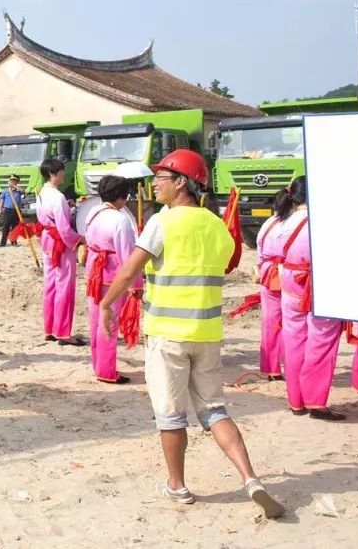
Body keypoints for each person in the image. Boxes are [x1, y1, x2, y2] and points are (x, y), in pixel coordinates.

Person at [98, 149, 284, 517]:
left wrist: (106, 305)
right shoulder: (217, 225)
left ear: (181, 182)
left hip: (168, 334)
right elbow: (224, 262)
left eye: (162, 178)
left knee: (171, 416)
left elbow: (128, 271)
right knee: (215, 409)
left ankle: (178, 485)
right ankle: (251, 478)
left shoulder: (162, 223)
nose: (155, 184)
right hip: (207, 332)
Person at [268, 176, 344, 420]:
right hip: (315, 282)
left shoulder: (279, 220)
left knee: (293, 338)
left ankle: (296, 401)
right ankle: (315, 402)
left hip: (289, 281)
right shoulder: (322, 220)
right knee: (322, 339)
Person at [83, 176, 139, 384]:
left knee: (96, 319)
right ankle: (107, 371)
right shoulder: (120, 219)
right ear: (121, 196)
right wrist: (136, 284)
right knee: (109, 322)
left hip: (94, 269)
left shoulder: (93, 212)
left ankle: (99, 365)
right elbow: (127, 255)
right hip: (112, 274)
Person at [37, 158, 84, 346]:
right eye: (61, 171)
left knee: (50, 284)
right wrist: (79, 239)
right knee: (64, 285)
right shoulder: (57, 197)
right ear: (52, 173)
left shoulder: (43, 193)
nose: (64, 174)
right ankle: (63, 332)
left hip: (48, 239)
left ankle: (50, 328)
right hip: (60, 242)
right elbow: (64, 229)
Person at [253, 191, 289, 381]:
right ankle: (288, 364)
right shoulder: (291, 223)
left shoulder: (269, 223)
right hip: (288, 272)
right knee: (291, 322)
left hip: (268, 272)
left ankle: (271, 367)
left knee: (270, 321)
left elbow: (259, 249)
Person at [0, 175, 24, 247]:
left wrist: (15, 186)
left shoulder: (18, 191)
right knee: (6, 226)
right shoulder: (5, 191)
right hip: (8, 210)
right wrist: (0, 209)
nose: (12, 182)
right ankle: (3, 242)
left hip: (16, 211)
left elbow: (23, 191)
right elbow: (2, 200)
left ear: (17, 182)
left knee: (15, 227)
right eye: (11, 180)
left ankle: (14, 241)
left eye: (14, 181)